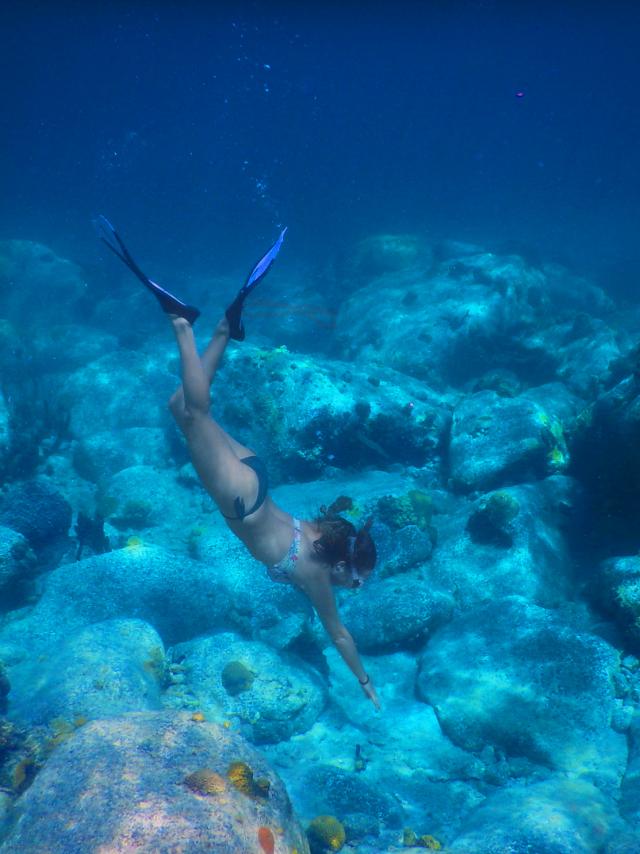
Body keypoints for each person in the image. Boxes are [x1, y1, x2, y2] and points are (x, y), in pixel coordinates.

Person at [95, 217, 380, 709]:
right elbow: (339, 635)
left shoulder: (324, 530)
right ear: (341, 566)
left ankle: (226, 330)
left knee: (179, 408)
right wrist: (366, 683)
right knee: (197, 411)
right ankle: (183, 324)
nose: (351, 590)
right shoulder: (316, 572)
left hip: (255, 477)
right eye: (354, 582)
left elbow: (347, 550)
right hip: (240, 498)